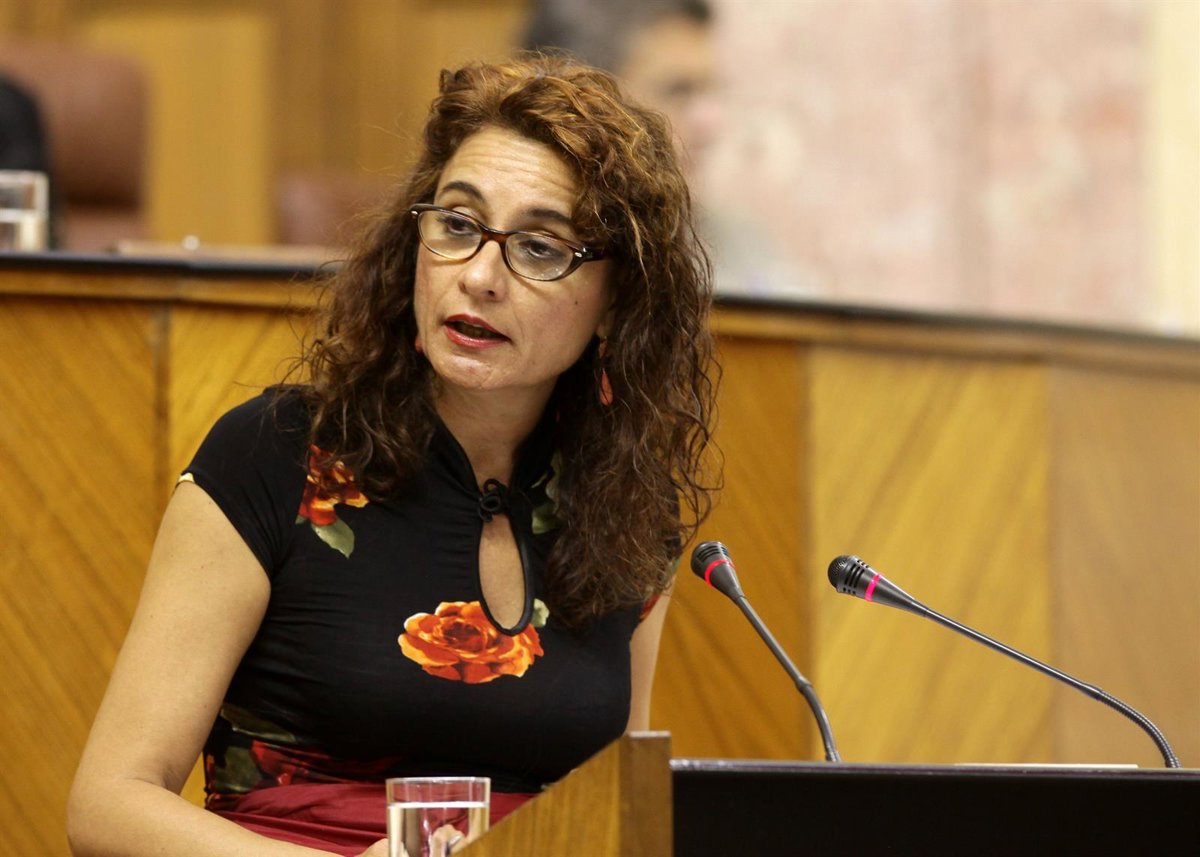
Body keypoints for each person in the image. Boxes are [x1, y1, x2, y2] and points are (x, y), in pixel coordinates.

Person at [67, 54, 717, 856]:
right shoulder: (276, 456)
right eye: (458, 225)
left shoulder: (629, 509)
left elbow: (618, 815)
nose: (480, 276)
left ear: (618, 301)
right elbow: (107, 805)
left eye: (540, 247)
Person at [523, 0, 814, 298]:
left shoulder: (737, 239)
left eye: (710, 89)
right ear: (579, 105)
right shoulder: (522, 247)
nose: (711, 122)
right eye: (678, 90)